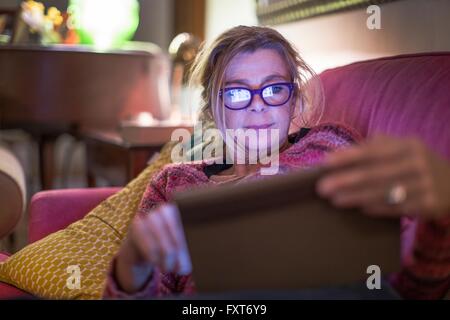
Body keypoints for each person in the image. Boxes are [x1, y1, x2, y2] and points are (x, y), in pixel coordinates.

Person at [103, 26, 450, 299]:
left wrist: (440, 218)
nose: (258, 105)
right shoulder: (173, 183)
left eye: (273, 89)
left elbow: (407, 287)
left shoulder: (330, 145)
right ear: (212, 108)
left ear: (293, 99)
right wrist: (133, 261)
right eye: (237, 92)